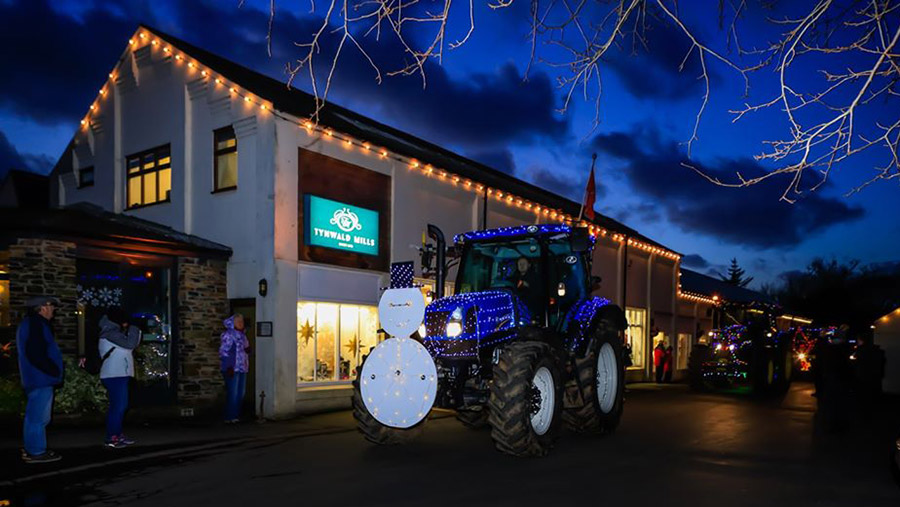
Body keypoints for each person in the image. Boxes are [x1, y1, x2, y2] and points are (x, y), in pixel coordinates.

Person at [16, 296, 64, 464]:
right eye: (51, 306)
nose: (54, 310)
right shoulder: (36, 324)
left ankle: (32, 448)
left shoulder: (29, 323)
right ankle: (36, 451)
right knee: (38, 417)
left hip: (36, 378)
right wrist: (53, 370)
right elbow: (36, 352)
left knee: (35, 416)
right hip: (40, 378)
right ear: (42, 307)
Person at [99, 309, 141, 448]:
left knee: (119, 406)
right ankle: (112, 437)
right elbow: (131, 344)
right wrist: (135, 327)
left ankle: (116, 434)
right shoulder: (110, 333)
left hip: (119, 374)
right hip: (114, 375)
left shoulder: (114, 333)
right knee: (118, 407)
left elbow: (130, 345)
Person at [220, 314, 250, 423]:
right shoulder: (228, 335)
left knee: (240, 393)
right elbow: (224, 352)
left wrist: (247, 349)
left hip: (242, 368)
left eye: (241, 321)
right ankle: (230, 416)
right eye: (238, 321)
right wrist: (228, 366)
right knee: (233, 393)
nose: (240, 323)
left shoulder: (243, 335)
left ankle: (235, 415)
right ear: (233, 323)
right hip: (232, 368)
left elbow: (246, 349)